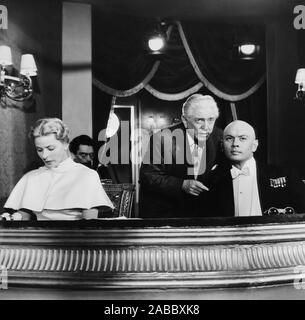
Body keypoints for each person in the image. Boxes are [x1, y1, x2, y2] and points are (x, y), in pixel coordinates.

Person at [2, 118, 114, 221]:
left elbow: (90, 225)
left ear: (66, 144)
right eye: (39, 150)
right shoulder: (31, 177)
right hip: (37, 238)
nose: (44, 155)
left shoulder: (87, 175)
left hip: (74, 238)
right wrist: (11, 218)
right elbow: (25, 214)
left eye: (50, 148)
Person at [139, 94, 223, 218]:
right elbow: (148, 176)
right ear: (184, 120)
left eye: (210, 119)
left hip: (204, 215)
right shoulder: (162, 138)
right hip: (166, 215)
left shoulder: (219, 136)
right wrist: (182, 184)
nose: (206, 127)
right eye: (199, 120)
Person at [206, 120, 305, 217]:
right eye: (229, 138)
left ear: (254, 145)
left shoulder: (285, 174)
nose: (235, 144)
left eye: (242, 138)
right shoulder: (211, 181)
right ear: (222, 145)